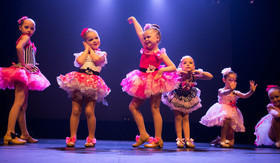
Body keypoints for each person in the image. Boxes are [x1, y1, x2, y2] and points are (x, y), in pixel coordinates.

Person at [121, 16, 179, 148]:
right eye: (145, 37)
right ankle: (143, 134)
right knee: (133, 107)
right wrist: (135, 20)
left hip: (154, 81)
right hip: (142, 80)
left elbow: (173, 67)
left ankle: (158, 139)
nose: (146, 39)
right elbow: (139, 32)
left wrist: (160, 71)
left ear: (157, 39)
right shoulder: (145, 48)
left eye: (149, 37)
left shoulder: (160, 53)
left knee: (155, 108)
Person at [0, 16, 50, 144]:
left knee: (23, 105)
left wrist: (30, 63)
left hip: (26, 72)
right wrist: (23, 63)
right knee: (19, 102)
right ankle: (9, 134)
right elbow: (18, 48)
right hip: (22, 72)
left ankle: (25, 133)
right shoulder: (25, 38)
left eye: (32, 28)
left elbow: (26, 52)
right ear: (20, 27)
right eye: (26, 27)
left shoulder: (27, 39)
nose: (29, 30)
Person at [57, 28, 110, 147]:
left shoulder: (102, 54)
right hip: (79, 81)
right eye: (90, 39)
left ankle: (91, 138)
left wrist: (90, 48)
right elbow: (80, 61)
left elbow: (97, 61)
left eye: (96, 37)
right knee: (75, 110)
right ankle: (72, 137)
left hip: (92, 82)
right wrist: (86, 49)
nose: (95, 40)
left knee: (89, 111)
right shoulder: (81, 54)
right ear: (85, 42)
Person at [162, 55, 213, 148]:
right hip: (177, 97)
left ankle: (187, 139)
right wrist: (178, 71)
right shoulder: (179, 74)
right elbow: (167, 75)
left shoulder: (194, 76)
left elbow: (210, 76)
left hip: (188, 98)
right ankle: (179, 139)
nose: (188, 64)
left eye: (190, 63)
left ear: (193, 66)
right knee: (178, 117)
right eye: (185, 63)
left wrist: (198, 71)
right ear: (180, 66)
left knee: (186, 118)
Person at [200, 67, 257, 147]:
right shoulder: (221, 90)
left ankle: (218, 140)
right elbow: (224, 93)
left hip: (233, 111)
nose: (232, 82)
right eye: (230, 80)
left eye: (234, 80)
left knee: (231, 143)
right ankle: (223, 139)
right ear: (224, 80)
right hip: (222, 110)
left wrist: (251, 91)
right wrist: (231, 90)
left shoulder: (235, 92)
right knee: (227, 118)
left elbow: (245, 96)